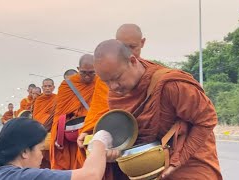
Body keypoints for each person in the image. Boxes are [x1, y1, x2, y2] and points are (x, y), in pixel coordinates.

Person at [93, 39, 222, 179]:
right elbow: (129, 137)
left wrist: (178, 160)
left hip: (189, 168)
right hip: (147, 171)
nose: (113, 87)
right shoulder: (116, 95)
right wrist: (113, 151)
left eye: (117, 78)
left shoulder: (172, 85)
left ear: (133, 61)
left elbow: (207, 119)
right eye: (106, 82)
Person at [76, 24, 146, 176]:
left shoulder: (152, 75)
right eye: (123, 47)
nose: (114, 86)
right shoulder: (106, 77)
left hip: (142, 147)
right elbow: (99, 109)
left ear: (142, 43)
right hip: (115, 140)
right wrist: (88, 130)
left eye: (132, 46)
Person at [0, 118, 113, 180]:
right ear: (24, 152)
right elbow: (91, 175)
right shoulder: (22, 176)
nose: (43, 156)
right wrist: (100, 139)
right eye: (41, 149)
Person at [50, 54, 97, 170]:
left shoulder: (101, 82)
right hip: (73, 133)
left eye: (91, 72)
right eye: (83, 72)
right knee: (73, 166)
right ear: (78, 69)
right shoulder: (67, 85)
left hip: (94, 130)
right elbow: (59, 113)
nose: (87, 76)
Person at [33, 78, 57, 169]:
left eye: (49, 86)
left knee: (53, 159)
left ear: (53, 87)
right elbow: (36, 117)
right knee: (39, 159)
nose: (47, 88)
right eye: (45, 86)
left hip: (53, 132)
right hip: (39, 133)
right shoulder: (39, 101)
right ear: (42, 87)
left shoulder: (57, 99)